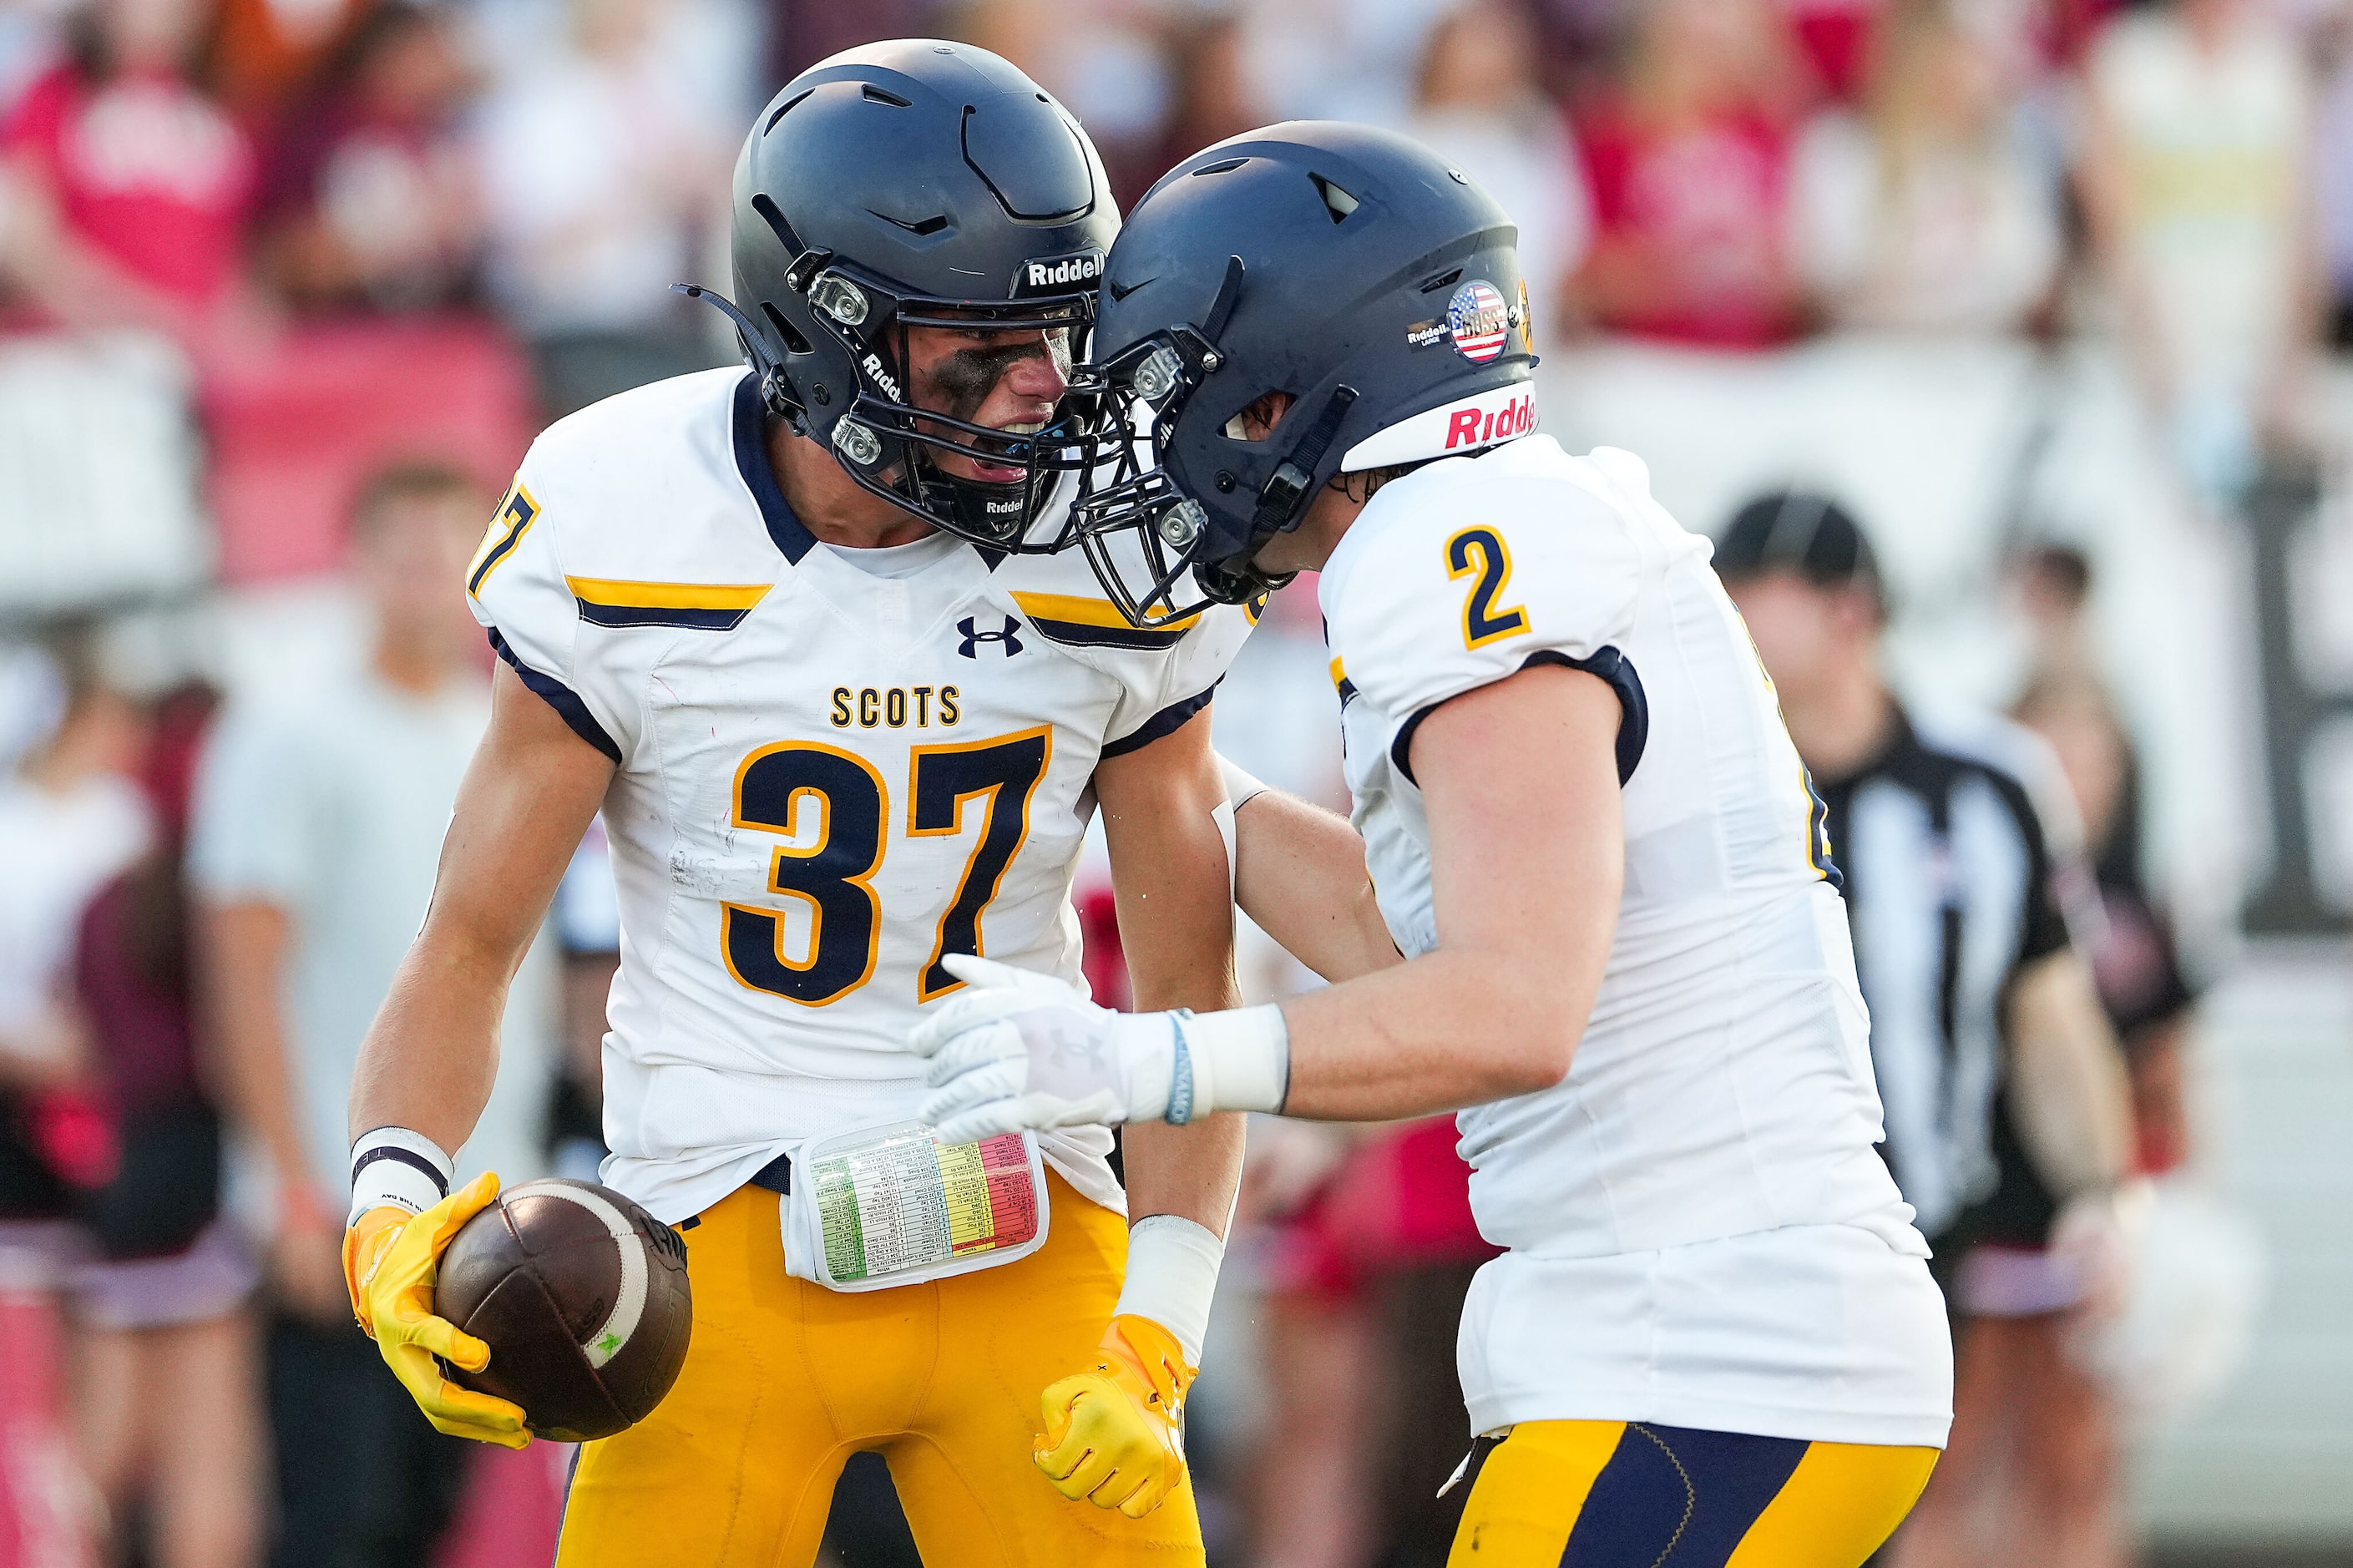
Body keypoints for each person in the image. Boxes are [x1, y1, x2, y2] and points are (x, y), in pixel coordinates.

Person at [911, 121, 1953, 1566]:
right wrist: (1175, 785)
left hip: (1702, 1346)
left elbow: (1512, 1009)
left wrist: (1145, 1056)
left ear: (1292, 382)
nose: (1163, 438)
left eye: (1185, 386)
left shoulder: (1448, 545)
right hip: (1713, 1336)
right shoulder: (1501, 517)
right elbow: (1430, 960)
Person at [339, 41, 1259, 1567]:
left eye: (1060, 333)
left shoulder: (1115, 533)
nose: (1042, 389)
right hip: (716, 1231)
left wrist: (1159, 1328)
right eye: (980, 344)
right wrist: (388, 1205)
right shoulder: (629, 506)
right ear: (823, 335)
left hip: (1029, 1218)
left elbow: (1183, 983)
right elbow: (471, 935)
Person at [1709, 493, 2138, 1568]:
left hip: (1920, 1231)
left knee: (1933, 1513)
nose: (1723, 618)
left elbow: (2048, 1014)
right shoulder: (1698, 783)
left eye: (1754, 594)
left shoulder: (1989, 786)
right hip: (1727, 1235)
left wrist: (2098, 1188)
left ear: (1848, 612)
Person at [190, 461, 558, 1568]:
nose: (426, 574)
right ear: (356, 561)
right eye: (401, 548)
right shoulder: (288, 730)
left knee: (423, 1511)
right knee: (332, 1514)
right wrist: (292, 1183)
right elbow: (243, 970)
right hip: (349, 1204)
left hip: (482, 1200)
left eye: (450, 547)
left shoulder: (499, 725)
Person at [1789, 0, 2065, 336]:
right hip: (1861, 362)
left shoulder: (2009, 157)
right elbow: (1823, 271)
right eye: (1973, 55)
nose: (1994, 74)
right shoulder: (1842, 150)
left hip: (1984, 359)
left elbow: (2032, 275)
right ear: (1928, 58)